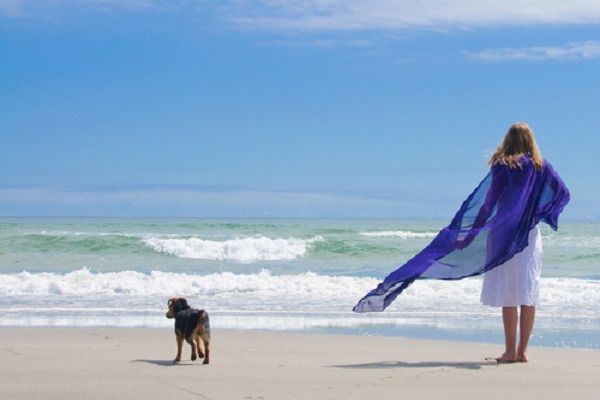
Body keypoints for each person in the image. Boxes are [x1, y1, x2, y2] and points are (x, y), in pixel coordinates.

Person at [353, 123, 570, 363]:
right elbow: (561, 193)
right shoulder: (541, 167)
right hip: (528, 236)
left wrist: (467, 236)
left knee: (509, 295)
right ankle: (522, 352)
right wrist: (536, 214)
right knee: (528, 292)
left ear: (508, 140)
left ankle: (510, 351)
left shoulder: (503, 166)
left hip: (501, 234)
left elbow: (486, 204)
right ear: (531, 141)